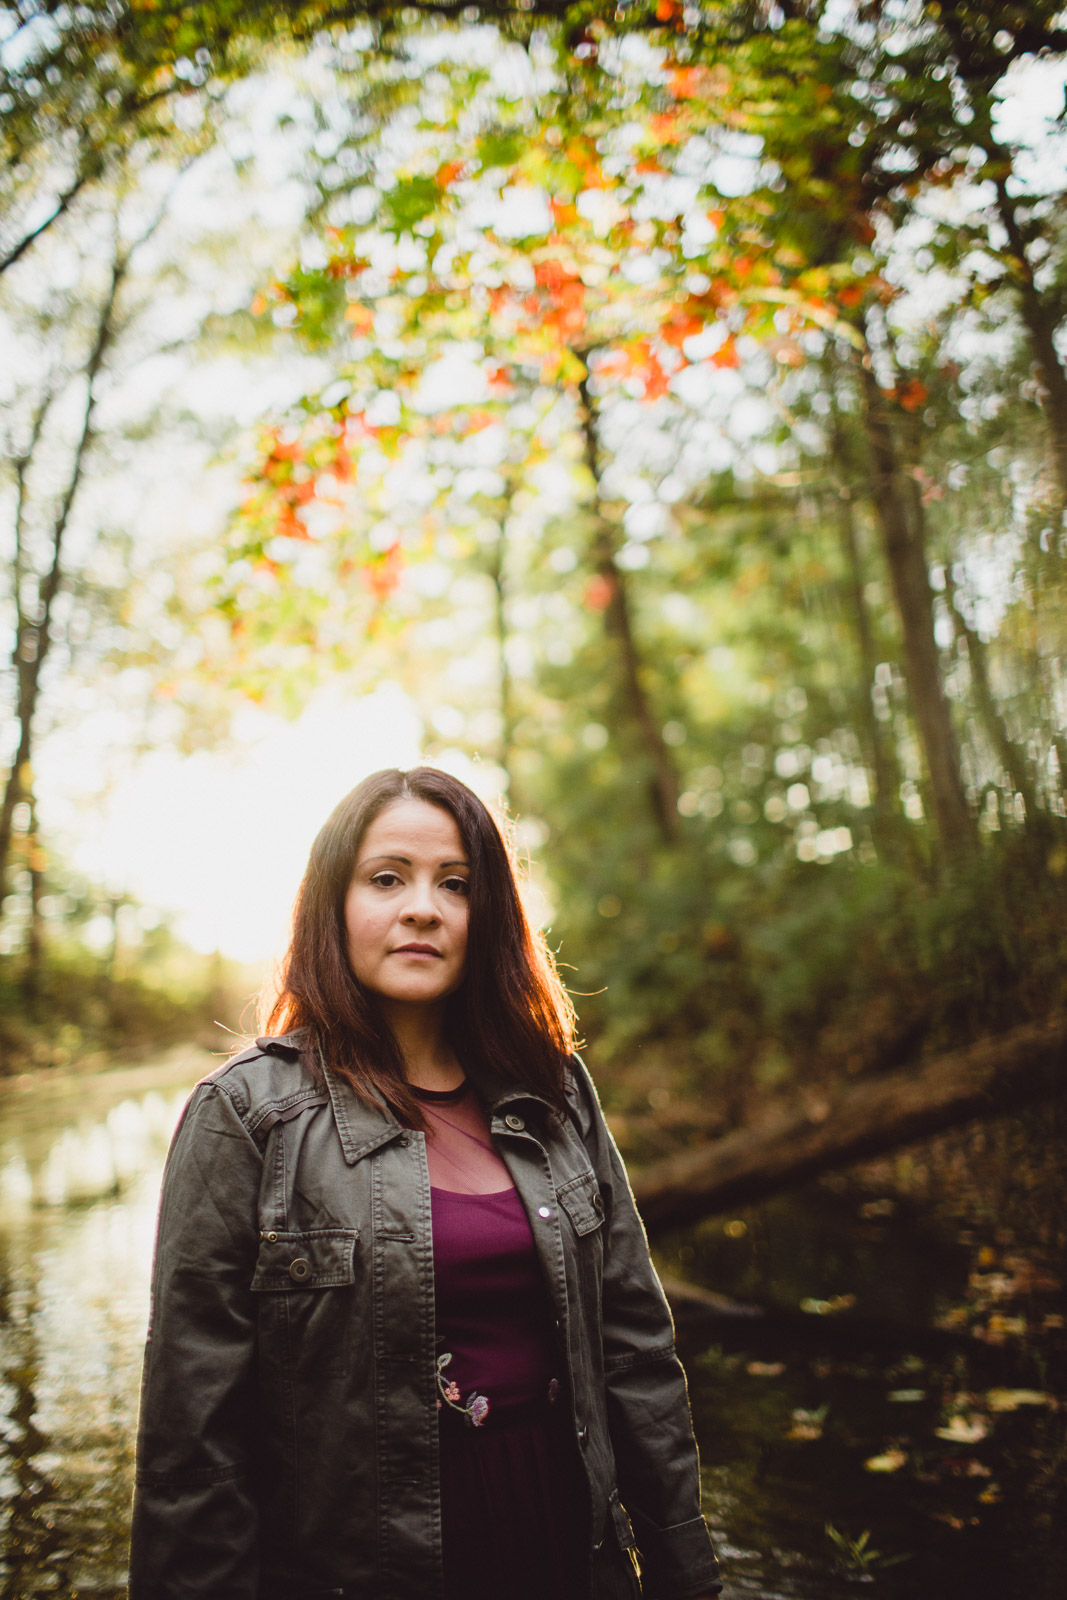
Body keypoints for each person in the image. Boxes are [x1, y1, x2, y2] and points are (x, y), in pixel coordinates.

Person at [129, 766, 723, 1600]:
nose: (422, 908)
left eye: (456, 884)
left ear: (488, 918)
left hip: (562, 1542)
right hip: (364, 1566)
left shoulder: (553, 1091)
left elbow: (636, 1352)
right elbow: (194, 1435)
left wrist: (681, 1571)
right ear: (330, 905)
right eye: (386, 879)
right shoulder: (246, 1112)